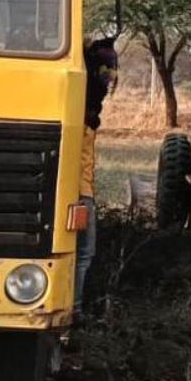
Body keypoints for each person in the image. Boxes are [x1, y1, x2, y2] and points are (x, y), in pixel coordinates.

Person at [74, 36, 117, 320]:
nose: (108, 81)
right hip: (80, 192)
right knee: (84, 253)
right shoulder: (83, 123)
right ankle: (74, 306)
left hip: (78, 189)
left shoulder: (76, 114)